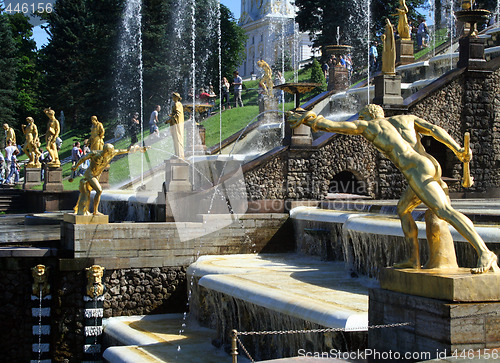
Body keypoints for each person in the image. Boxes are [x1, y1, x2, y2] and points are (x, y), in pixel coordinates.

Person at [286, 104, 499, 274]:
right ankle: (413, 260)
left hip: (415, 170)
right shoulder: (406, 119)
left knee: (444, 212)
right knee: (403, 209)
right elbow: (435, 130)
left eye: (361, 116)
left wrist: (309, 118)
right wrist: (458, 149)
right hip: (430, 163)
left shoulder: (369, 127)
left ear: (366, 116)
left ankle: (484, 252)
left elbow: (332, 126)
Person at [71, 144, 148, 215]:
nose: (113, 151)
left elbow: (126, 150)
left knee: (86, 192)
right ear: (106, 151)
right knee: (99, 190)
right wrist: (75, 167)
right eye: (111, 150)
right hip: (90, 174)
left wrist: (140, 149)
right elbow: (83, 159)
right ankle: (95, 211)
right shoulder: (95, 153)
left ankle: (81, 209)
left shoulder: (112, 153)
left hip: (97, 175)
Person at [165, 92, 185, 159]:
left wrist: (169, 120)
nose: (172, 98)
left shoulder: (177, 104)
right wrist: (171, 116)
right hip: (176, 124)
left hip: (177, 124)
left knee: (178, 138)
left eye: (173, 97)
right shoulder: (177, 104)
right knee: (176, 139)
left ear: (176, 97)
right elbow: (175, 114)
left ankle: (179, 155)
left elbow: (177, 115)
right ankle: (177, 154)